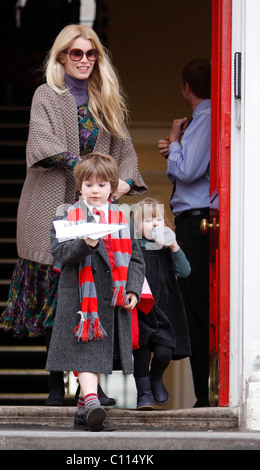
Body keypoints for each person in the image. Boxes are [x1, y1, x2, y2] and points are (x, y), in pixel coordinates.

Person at [0, 24, 147, 407]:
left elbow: (126, 152)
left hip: (96, 208)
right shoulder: (46, 94)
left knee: (93, 294)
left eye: (90, 54)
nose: (84, 60)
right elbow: (42, 143)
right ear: (62, 57)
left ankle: (89, 390)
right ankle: (54, 389)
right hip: (48, 204)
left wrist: (124, 183)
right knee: (57, 294)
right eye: (76, 54)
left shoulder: (107, 99)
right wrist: (91, 170)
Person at [46, 153, 145, 431]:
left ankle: (83, 409)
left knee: (97, 354)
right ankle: (91, 400)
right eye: (88, 184)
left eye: (101, 185)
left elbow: (136, 259)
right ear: (79, 187)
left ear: (113, 188)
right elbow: (60, 252)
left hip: (112, 298)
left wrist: (133, 291)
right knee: (87, 351)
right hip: (80, 297)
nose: (95, 190)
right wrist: (85, 244)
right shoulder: (66, 216)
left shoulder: (124, 219)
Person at [158, 58, 211, 407]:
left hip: (197, 222)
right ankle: (202, 395)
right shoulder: (200, 120)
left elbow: (189, 171)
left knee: (196, 308)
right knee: (192, 307)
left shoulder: (204, 118)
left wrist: (175, 142)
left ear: (185, 88)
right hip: (191, 222)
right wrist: (176, 148)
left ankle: (204, 396)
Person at [131, 198, 191, 409]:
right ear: (137, 227)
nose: (155, 224)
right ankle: (144, 394)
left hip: (165, 307)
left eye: (158, 219)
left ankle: (156, 377)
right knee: (142, 352)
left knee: (164, 350)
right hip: (141, 308)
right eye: (148, 220)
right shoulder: (134, 247)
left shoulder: (167, 249)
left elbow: (184, 272)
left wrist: (174, 245)